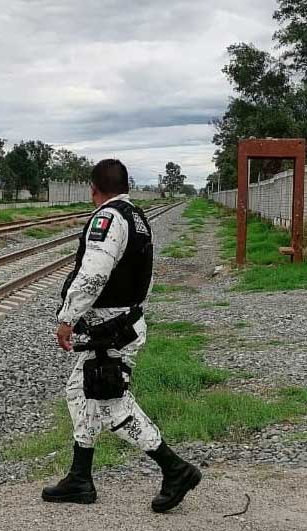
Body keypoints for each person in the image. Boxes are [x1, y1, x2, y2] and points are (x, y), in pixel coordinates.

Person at [43, 158, 201, 513]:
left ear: (93, 189)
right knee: (77, 392)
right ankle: (80, 477)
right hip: (118, 326)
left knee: (113, 406)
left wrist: (67, 318)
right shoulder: (137, 217)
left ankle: (175, 468)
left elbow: (93, 275)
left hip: (110, 333)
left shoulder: (109, 217)